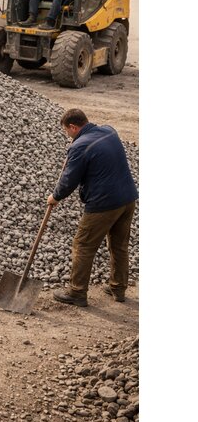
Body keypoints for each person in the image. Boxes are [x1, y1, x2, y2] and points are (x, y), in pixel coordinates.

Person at [49, 108, 138, 307]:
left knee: (83, 246)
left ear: (73, 127)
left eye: (67, 131)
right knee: (119, 245)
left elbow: (69, 179)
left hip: (104, 204)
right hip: (128, 198)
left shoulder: (80, 146)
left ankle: (77, 292)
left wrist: (55, 197)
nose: (67, 135)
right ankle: (118, 288)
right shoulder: (109, 131)